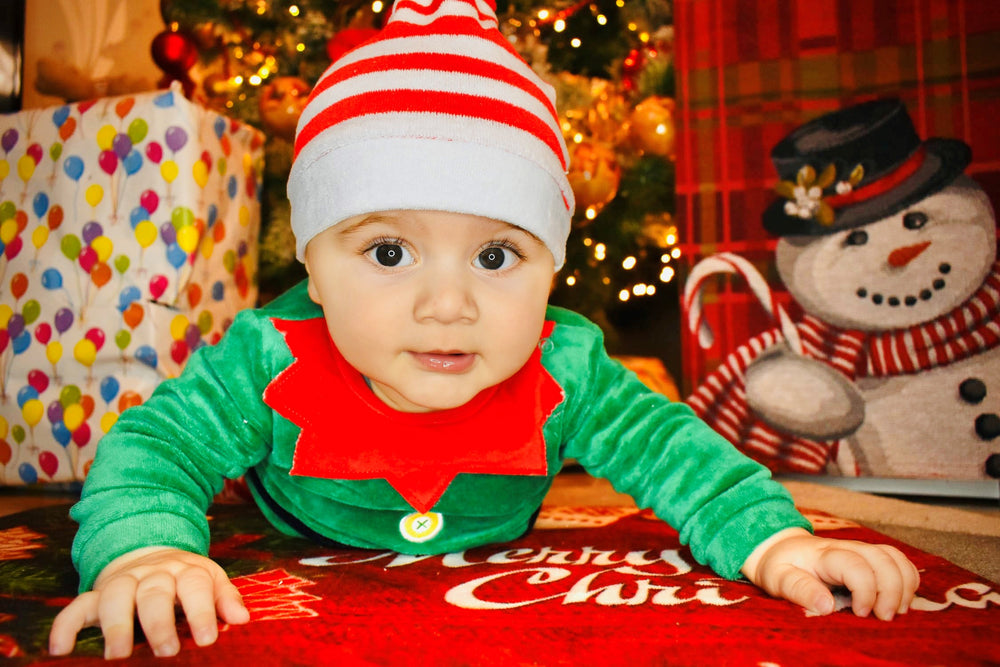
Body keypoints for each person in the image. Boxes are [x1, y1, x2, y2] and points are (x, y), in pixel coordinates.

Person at [48, 0, 919, 659]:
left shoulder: (563, 363)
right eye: (389, 250)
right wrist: (147, 548)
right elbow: (156, 446)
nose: (448, 304)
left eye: (498, 256)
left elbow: (675, 453)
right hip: (298, 517)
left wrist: (774, 537)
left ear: (552, 269)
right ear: (311, 266)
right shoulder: (270, 351)